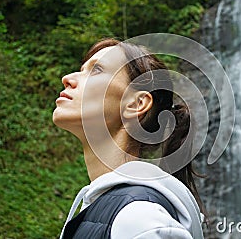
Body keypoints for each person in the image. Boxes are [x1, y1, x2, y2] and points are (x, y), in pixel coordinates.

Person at [53, 38, 206, 238]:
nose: (67, 78)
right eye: (82, 70)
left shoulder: (138, 219)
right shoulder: (109, 210)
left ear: (136, 104)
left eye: (96, 70)